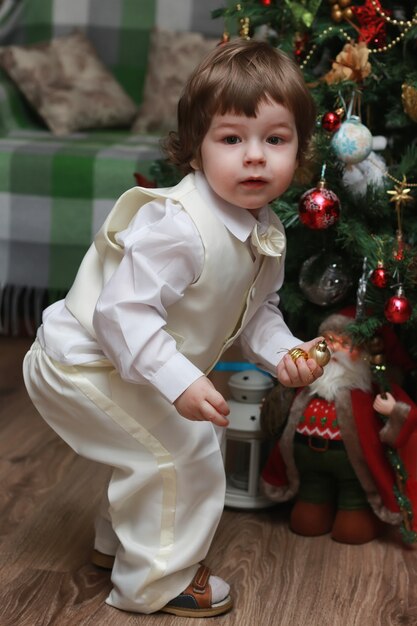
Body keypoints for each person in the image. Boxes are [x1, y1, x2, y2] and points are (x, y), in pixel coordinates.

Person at [23, 39, 324, 617]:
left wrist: (284, 351)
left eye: (275, 140)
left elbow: (255, 312)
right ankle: (156, 582)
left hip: (127, 362)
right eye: (232, 139)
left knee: (186, 436)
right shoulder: (178, 226)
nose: (255, 157)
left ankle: (121, 548)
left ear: (298, 150)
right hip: (81, 361)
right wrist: (179, 379)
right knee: (179, 450)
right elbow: (121, 312)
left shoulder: (263, 229)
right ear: (194, 150)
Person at [261, 308, 417, 545]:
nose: (334, 349)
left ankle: (355, 508)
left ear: (365, 353)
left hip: (356, 474)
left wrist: (394, 411)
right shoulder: (309, 385)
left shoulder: (367, 393)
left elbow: (406, 419)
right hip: (310, 469)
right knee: (306, 522)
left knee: (352, 531)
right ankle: (316, 502)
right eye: (330, 340)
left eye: (346, 343)